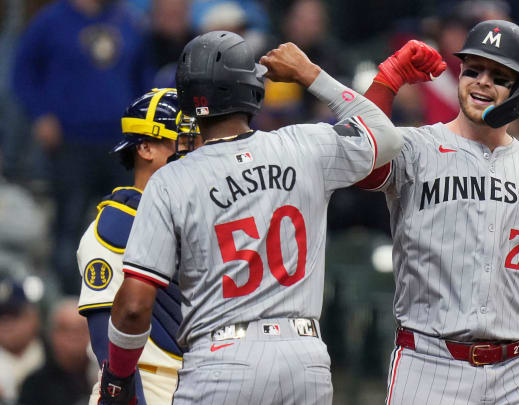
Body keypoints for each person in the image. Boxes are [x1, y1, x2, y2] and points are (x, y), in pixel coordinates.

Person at [98, 31, 403, 405]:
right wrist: (310, 74)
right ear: (253, 90)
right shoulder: (304, 145)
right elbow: (386, 137)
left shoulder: (170, 181)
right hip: (303, 358)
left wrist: (118, 377)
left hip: (221, 359)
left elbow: (132, 308)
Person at [357, 20, 519, 404]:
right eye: (473, 70)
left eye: (499, 76)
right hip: (429, 362)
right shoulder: (416, 147)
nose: (482, 82)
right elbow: (361, 163)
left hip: (517, 370)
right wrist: (386, 81)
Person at [11, 0, 155, 295]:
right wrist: (41, 115)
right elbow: (21, 74)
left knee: (130, 220)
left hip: (122, 143)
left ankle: (129, 295)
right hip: (71, 142)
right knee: (70, 227)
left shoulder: (128, 20)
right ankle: (67, 300)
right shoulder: (51, 21)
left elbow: (144, 78)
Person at [76, 88, 198, 405]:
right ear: (145, 147)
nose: (197, 151)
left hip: (204, 382)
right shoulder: (113, 227)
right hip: (147, 385)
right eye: (186, 141)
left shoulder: (204, 216)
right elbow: (108, 342)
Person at [18, 297, 93, 405]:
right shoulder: (34, 386)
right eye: (65, 329)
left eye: (82, 329)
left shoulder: (107, 378)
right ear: (51, 335)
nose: (74, 336)